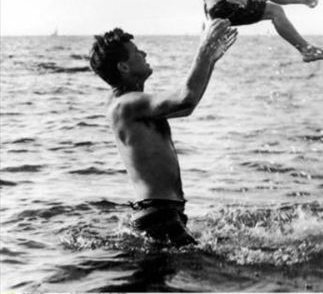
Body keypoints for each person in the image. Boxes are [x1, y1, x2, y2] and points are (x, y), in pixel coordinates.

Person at [89, 19, 237, 246]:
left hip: (163, 214)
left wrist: (211, 60)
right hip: (158, 216)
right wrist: (203, 50)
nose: (144, 53)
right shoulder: (126, 104)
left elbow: (186, 107)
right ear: (124, 67)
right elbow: (186, 97)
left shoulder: (131, 103)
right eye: (137, 52)